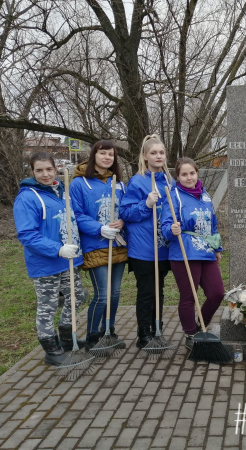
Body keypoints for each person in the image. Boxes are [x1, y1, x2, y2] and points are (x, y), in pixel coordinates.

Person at [13, 152, 86, 365]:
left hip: (69, 260)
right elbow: (27, 234)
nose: (45, 174)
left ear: (56, 169)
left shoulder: (61, 191)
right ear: (32, 172)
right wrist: (57, 249)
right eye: (39, 170)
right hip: (46, 262)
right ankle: (51, 349)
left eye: (48, 169)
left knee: (78, 296)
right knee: (48, 305)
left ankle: (65, 338)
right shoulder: (27, 197)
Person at [70, 140, 128, 350]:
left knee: (114, 293)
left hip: (119, 245)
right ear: (94, 155)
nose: (107, 157)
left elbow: (126, 211)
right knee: (102, 295)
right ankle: (93, 335)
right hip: (95, 245)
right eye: (102, 153)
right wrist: (98, 228)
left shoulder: (119, 184)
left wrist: (123, 221)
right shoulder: (80, 183)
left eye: (110, 155)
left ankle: (108, 331)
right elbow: (75, 215)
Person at [161, 158, 224, 349]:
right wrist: (171, 229)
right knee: (189, 296)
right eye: (184, 174)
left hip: (206, 251)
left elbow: (212, 224)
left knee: (217, 293)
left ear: (197, 173)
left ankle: (200, 324)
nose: (189, 177)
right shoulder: (173, 197)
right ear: (178, 177)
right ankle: (191, 333)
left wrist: (217, 248)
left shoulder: (205, 195)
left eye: (192, 173)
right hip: (185, 253)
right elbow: (164, 226)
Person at [119, 134, 173, 348]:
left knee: (159, 290)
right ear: (145, 155)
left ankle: (156, 327)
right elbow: (125, 212)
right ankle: (144, 334)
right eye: (153, 153)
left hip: (164, 247)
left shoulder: (169, 181)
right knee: (146, 291)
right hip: (143, 248)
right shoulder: (138, 181)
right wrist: (146, 204)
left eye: (161, 152)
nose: (158, 156)